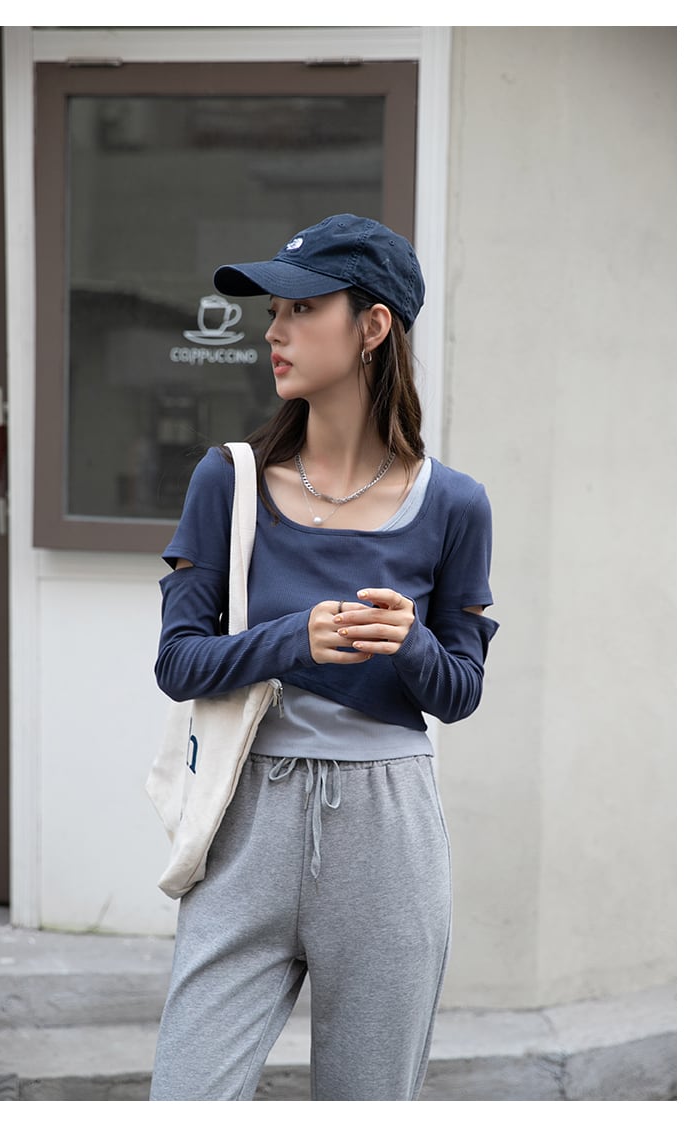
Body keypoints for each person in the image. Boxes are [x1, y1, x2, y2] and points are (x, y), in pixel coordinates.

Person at [149, 213, 498, 1101]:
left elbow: (459, 691)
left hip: (389, 834)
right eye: (273, 311)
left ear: (373, 325)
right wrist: (290, 639)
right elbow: (178, 662)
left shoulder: (455, 504)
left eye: (301, 308)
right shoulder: (227, 481)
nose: (275, 331)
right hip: (247, 822)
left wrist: (411, 643)